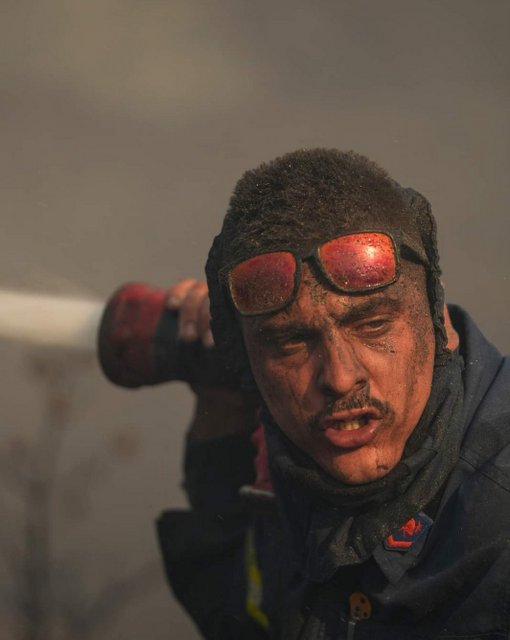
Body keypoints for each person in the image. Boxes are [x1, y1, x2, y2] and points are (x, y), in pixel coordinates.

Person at [157, 149, 510, 639]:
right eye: (290, 342)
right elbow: (244, 613)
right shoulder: (288, 463)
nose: (340, 378)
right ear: (247, 363)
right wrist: (221, 410)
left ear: (435, 317)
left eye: (373, 325)